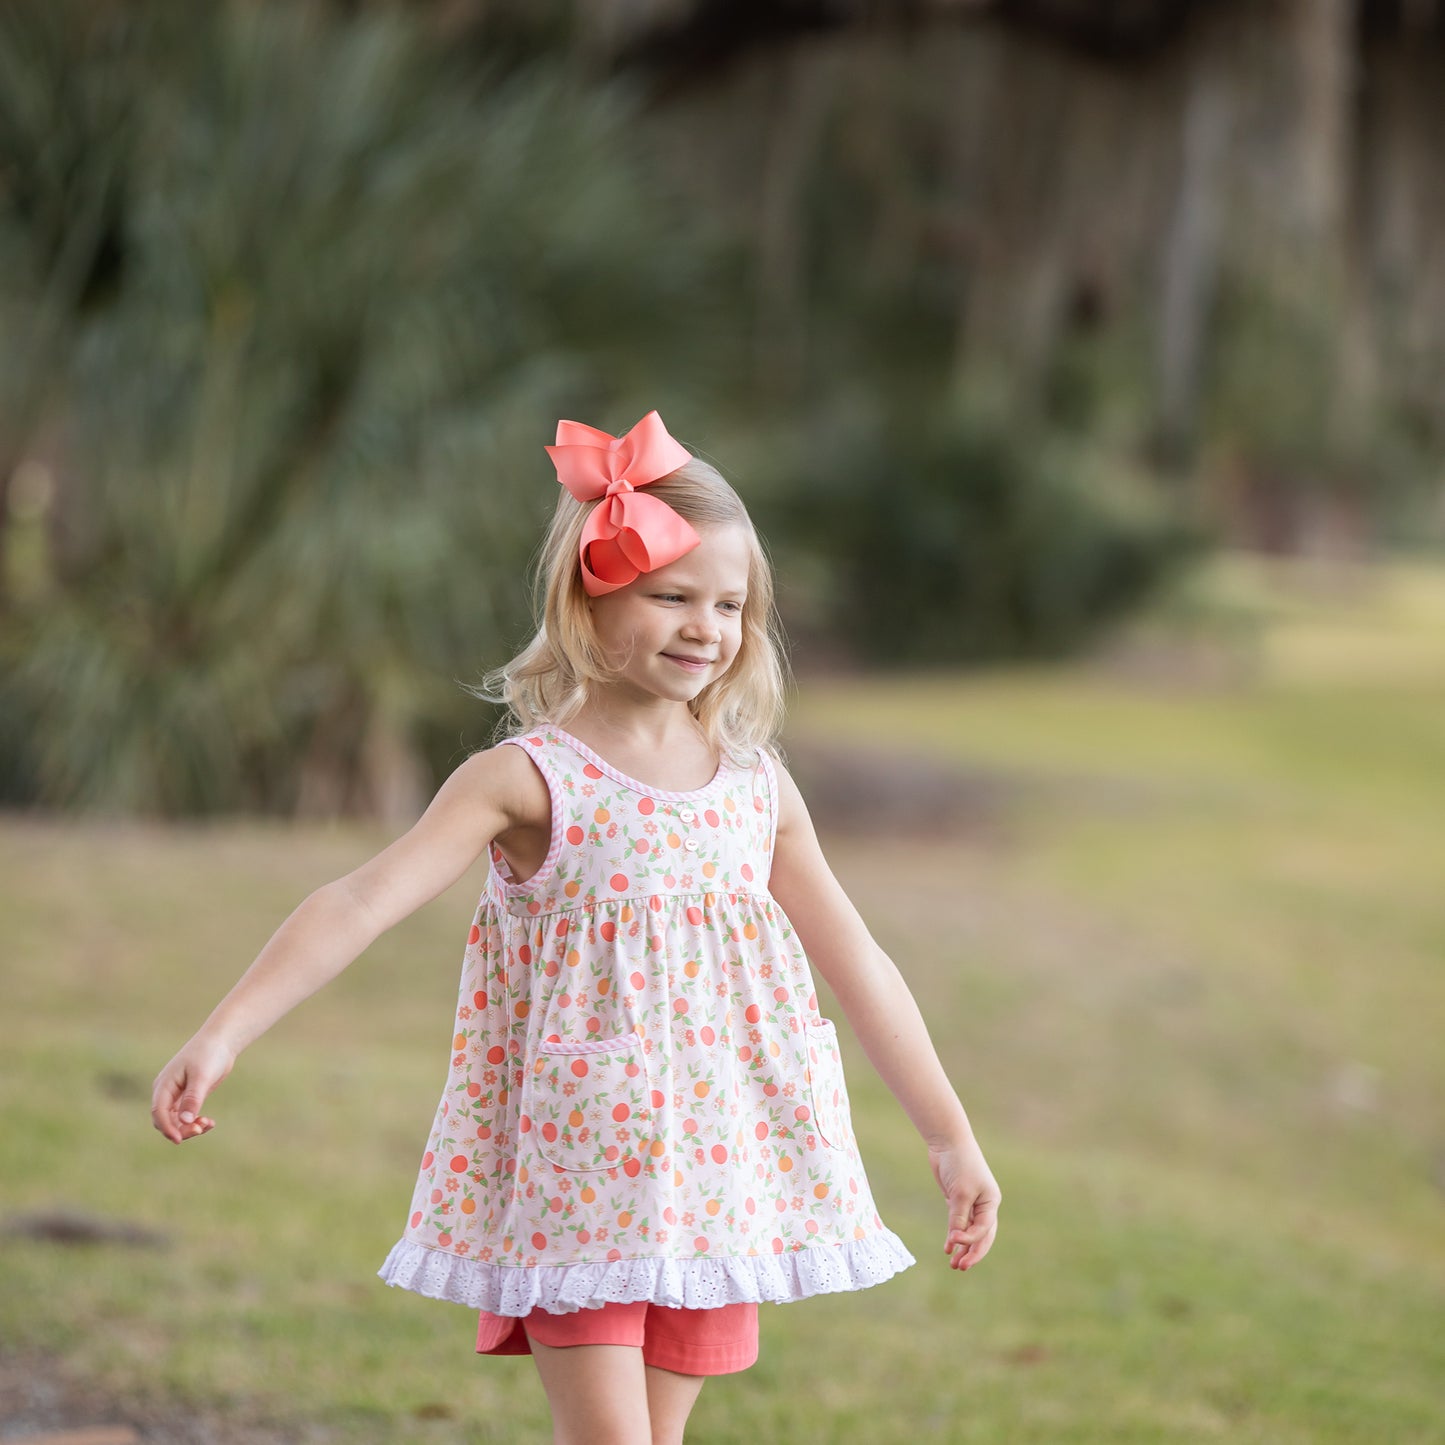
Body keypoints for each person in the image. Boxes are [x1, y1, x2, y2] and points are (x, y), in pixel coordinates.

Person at [151, 410, 1001, 1445]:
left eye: (729, 604)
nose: (706, 626)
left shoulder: (754, 789)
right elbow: (360, 899)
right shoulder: (525, 779)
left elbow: (857, 962)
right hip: (581, 1175)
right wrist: (223, 1030)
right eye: (671, 596)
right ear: (589, 603)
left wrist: (949, 1136)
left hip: (718, 1179)